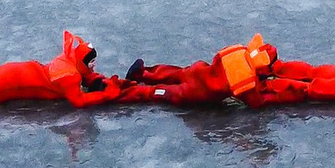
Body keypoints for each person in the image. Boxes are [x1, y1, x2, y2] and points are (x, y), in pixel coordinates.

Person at [116, 34, 290, 106]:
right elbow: (256, 102)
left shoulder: (239, 51)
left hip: (198, 71)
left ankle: (144, 73)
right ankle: (126, 90)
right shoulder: (246, 81)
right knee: (161, 92)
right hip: (197, 92)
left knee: (174, 73)